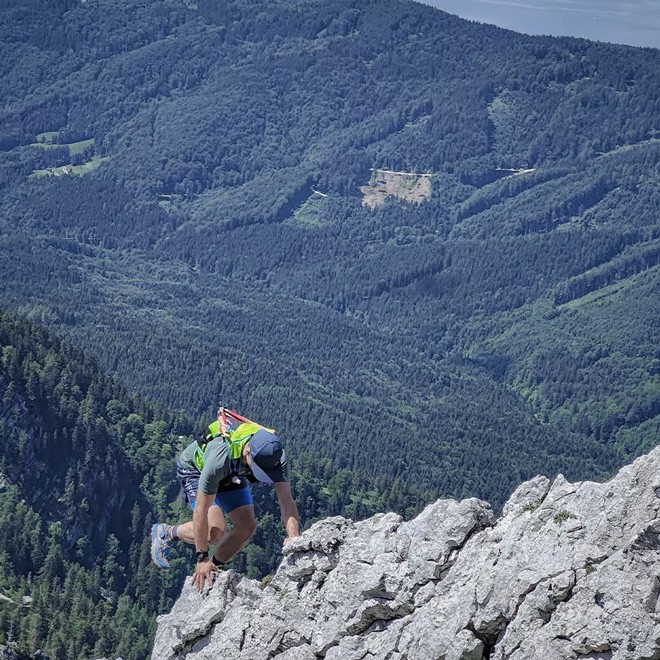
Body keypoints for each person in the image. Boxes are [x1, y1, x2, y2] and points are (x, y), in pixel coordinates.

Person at [151, 410, 300, 591]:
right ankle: (167, 532)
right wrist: (202, 558)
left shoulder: (273, 456)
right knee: (214, 533)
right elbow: (201, 510)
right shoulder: (219, 458)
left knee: (247, 527)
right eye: (257, 468)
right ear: (247, 450)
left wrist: (294, 539)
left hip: (232, 473)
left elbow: (286, 499)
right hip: (197, 470)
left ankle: (214, 569)